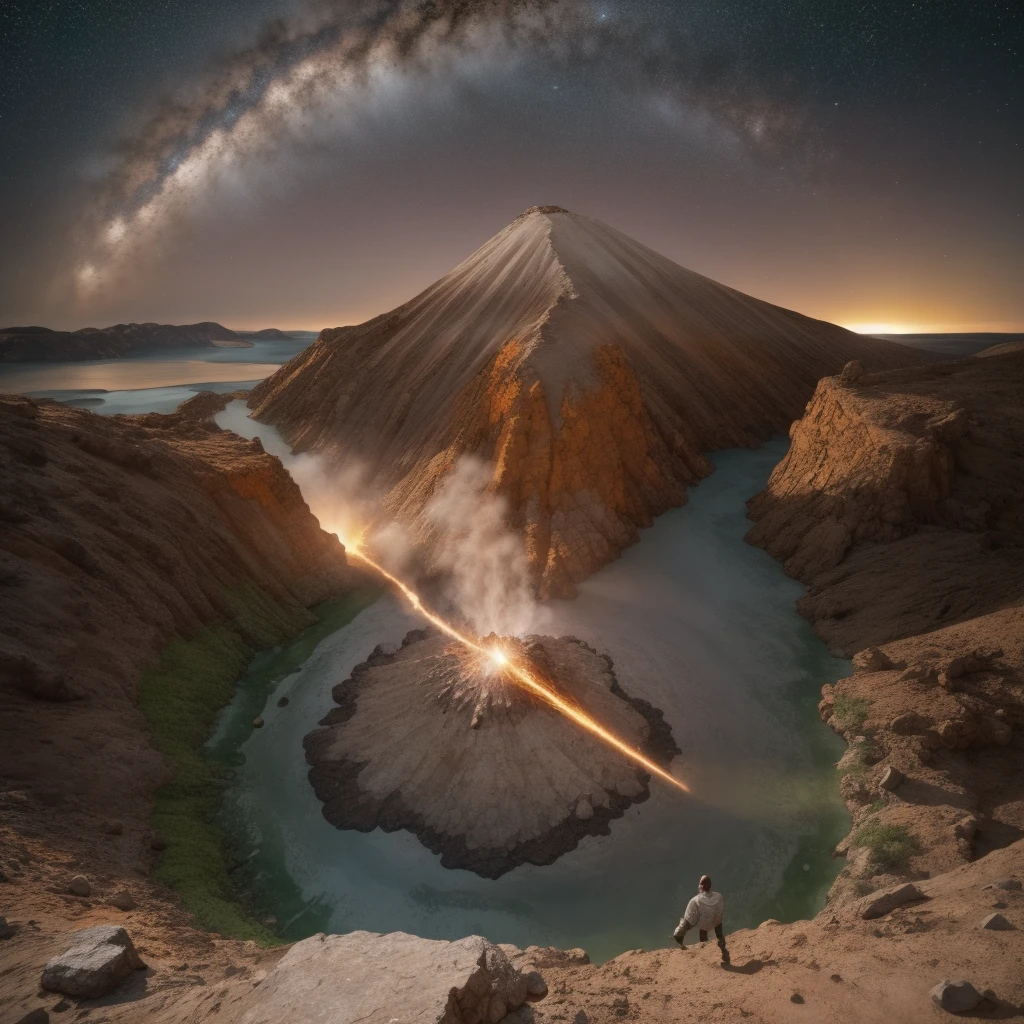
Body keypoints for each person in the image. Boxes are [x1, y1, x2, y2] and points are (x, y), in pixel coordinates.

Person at [672, 874, 729, 964]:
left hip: (705, 924)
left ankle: (705, 955)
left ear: (701, 887)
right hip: (717, 921)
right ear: (710, 886)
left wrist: (679, 932)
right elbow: (720, 911)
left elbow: (688, 919)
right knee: (719, 932)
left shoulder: (695, 900)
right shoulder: (719, 896)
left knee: (701, 930)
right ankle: (723, 948)